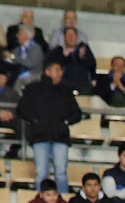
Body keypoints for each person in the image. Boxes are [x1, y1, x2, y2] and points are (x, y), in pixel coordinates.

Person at [18, 58, 79, 190]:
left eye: (60, 70)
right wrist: (34, 121)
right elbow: (21, 109)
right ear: (48, 71)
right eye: (57, 70)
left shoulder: (66, 90)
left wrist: (65, 122)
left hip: (60, 137)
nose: (60, 73)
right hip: (40, 136)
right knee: (41, 173)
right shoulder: (33, 89)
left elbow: (76, 113)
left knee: (61, 172)